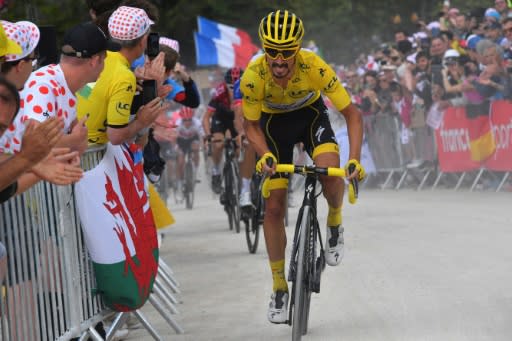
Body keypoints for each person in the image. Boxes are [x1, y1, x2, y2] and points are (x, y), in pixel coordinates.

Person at [241, 9, 365, 324]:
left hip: (310, 118)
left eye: (286, 55)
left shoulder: (314, 66)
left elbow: (352, 114)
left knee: (331, 174)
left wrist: (355, 159)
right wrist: (265, 155)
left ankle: (334, 222)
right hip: (272, 129)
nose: (279, 63)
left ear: (297, 49)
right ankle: (280, 286)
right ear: (264, 49)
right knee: (273, 207)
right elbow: (251, 126)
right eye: (272, 54)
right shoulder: (254, 75)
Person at [202, 67, 244, 194]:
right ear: (225, 85)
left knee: (240, 146)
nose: (233, 89)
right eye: (230, 86)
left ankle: (238, 172)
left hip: (237, 118)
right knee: (219, 144)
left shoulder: (247, 91)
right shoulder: (219, 93)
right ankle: (216, 171)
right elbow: (206, 117)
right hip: (220, 117)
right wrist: (209, 135)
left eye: (237, 85)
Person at [174, 106, 202, 193]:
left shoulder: (197, 123)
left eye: (189, 119)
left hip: (193, 139)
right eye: (185, 120)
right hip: (181, 141)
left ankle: (195, 172)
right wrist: (176, 147)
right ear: (182, 119)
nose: (187, 122)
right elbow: (173, 137)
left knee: (196, 149)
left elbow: (201, 136)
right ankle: (180, 182)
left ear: (192, 118)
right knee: (181, 161)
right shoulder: (178, 124)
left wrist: (201, 146)